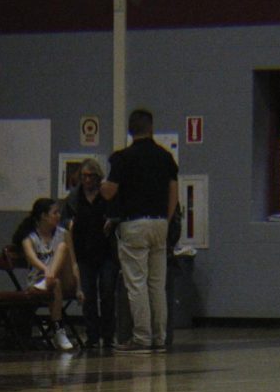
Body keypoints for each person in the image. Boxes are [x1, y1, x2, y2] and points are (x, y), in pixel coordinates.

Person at [100, 108, 179, 353]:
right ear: (151, 128)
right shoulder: (166, 157)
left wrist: (102, 184)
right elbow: (173, 196)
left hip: (134, 224)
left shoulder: (122, 158)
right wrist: (164, 221)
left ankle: (142, 338)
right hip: (160, 223)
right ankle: (160, 337)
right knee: (158, 284)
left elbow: (110, 192)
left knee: (137, 284)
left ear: (130, 130)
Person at [61, 157, 118, 350]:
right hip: (84, 252)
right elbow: (64, 221)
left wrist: (113, 220)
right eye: (84, 176)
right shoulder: (74, 198)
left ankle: (109, 335)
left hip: (106, 252)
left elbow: (119, 213)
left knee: (108, 292)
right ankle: (92, 336)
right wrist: (69, 225)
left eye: (91, 176)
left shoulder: (106, 196)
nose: (87, 180)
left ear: (98, 177)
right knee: (88, 295)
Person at [12, 197, 83, 351]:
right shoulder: (29, 236)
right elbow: (31, 257)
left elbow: (73, 262)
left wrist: (79, 288)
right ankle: (58, 331)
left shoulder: (63, 233)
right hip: (38, 280)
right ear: (44, 216)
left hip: (64, 280)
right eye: (55, 213)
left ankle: (48, 280)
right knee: (54, 283)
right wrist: (46, 270)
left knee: (62, 248)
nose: (59, 216)